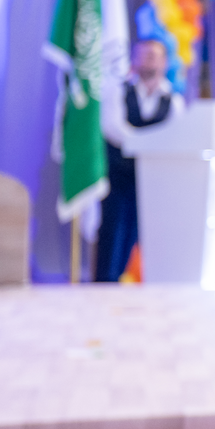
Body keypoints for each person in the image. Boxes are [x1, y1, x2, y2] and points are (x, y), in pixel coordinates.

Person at [94, 38, 185, 282]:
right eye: (144, 55)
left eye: (154, 56)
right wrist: (149, 144)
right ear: (133, 59)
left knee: (144, 232)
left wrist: (148, 146)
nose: (149, 60)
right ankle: (104, 286)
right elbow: (112, 127)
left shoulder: (174, 101)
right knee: (113, 230)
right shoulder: (117, 89)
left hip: (155, 180)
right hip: (118, 174)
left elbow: (176, 135)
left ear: (165, 63)